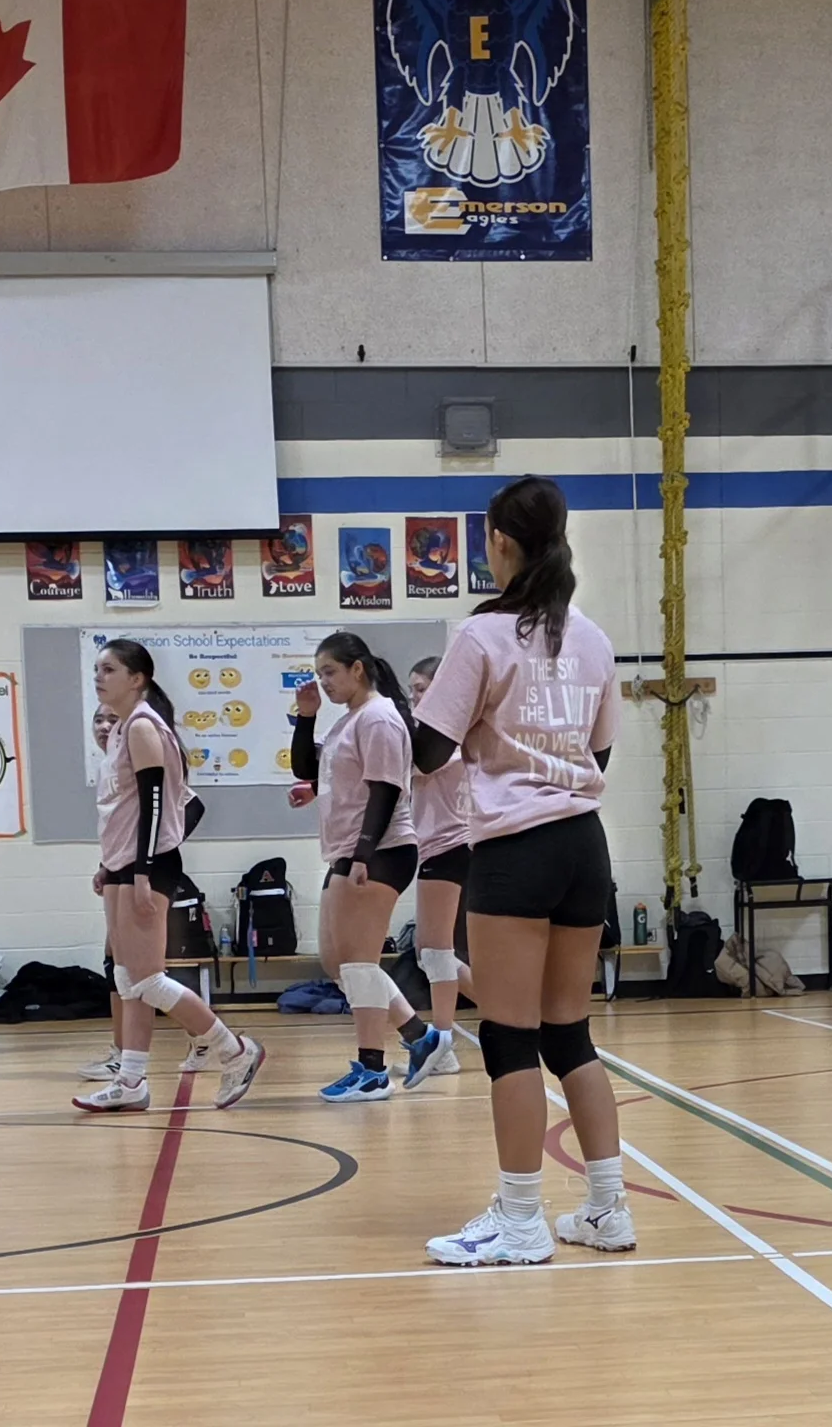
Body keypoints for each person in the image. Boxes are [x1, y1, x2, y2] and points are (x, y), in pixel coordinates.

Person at [410, 476, 628, 1265]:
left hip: (515, 849)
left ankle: (521, 1219)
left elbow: (428, 750)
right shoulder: (593, 639)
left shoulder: (481, 636)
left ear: (499, 542)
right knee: (570, 1033)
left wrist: (468, 726)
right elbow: (600, 751)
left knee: (509, 1036)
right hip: (584, 844)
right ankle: (608, 1209)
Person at [73, 639, 263, 1114]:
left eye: (109, 669)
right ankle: (131, 1082)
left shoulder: (142, 726)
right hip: (123, 864)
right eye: (97, 669)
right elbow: (123, 811)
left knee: (148, 979)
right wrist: (110, 865)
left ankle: (234, 1051)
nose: (99, 677)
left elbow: (155, 803)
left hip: (150, 864)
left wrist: (141, 870)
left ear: (137, 679)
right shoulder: (122, 729)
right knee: (126, 978)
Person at [288, 632, 429, 1103]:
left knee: (358, 965)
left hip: (381, 850)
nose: (324, 681)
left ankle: (372, 1070)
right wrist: (306, 716)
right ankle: (419, 1035)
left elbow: (386, 790)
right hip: (348, 850)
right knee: (337, 963)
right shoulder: (349, 720)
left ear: (357, 669)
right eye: (319, 673)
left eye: (330, 671)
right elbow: (306, 766)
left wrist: (365, 854)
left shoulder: (379, 717)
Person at [401, 654, 472, 1087]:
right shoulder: (433, 736)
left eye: (422, 689)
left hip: (451, 845)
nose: (415, 698)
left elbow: (407, 764)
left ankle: (443, 1046)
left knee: (436, 952)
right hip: (437, 846)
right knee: (434, 952)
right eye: (411, 689)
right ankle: (513, 1015)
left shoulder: (447, 740)